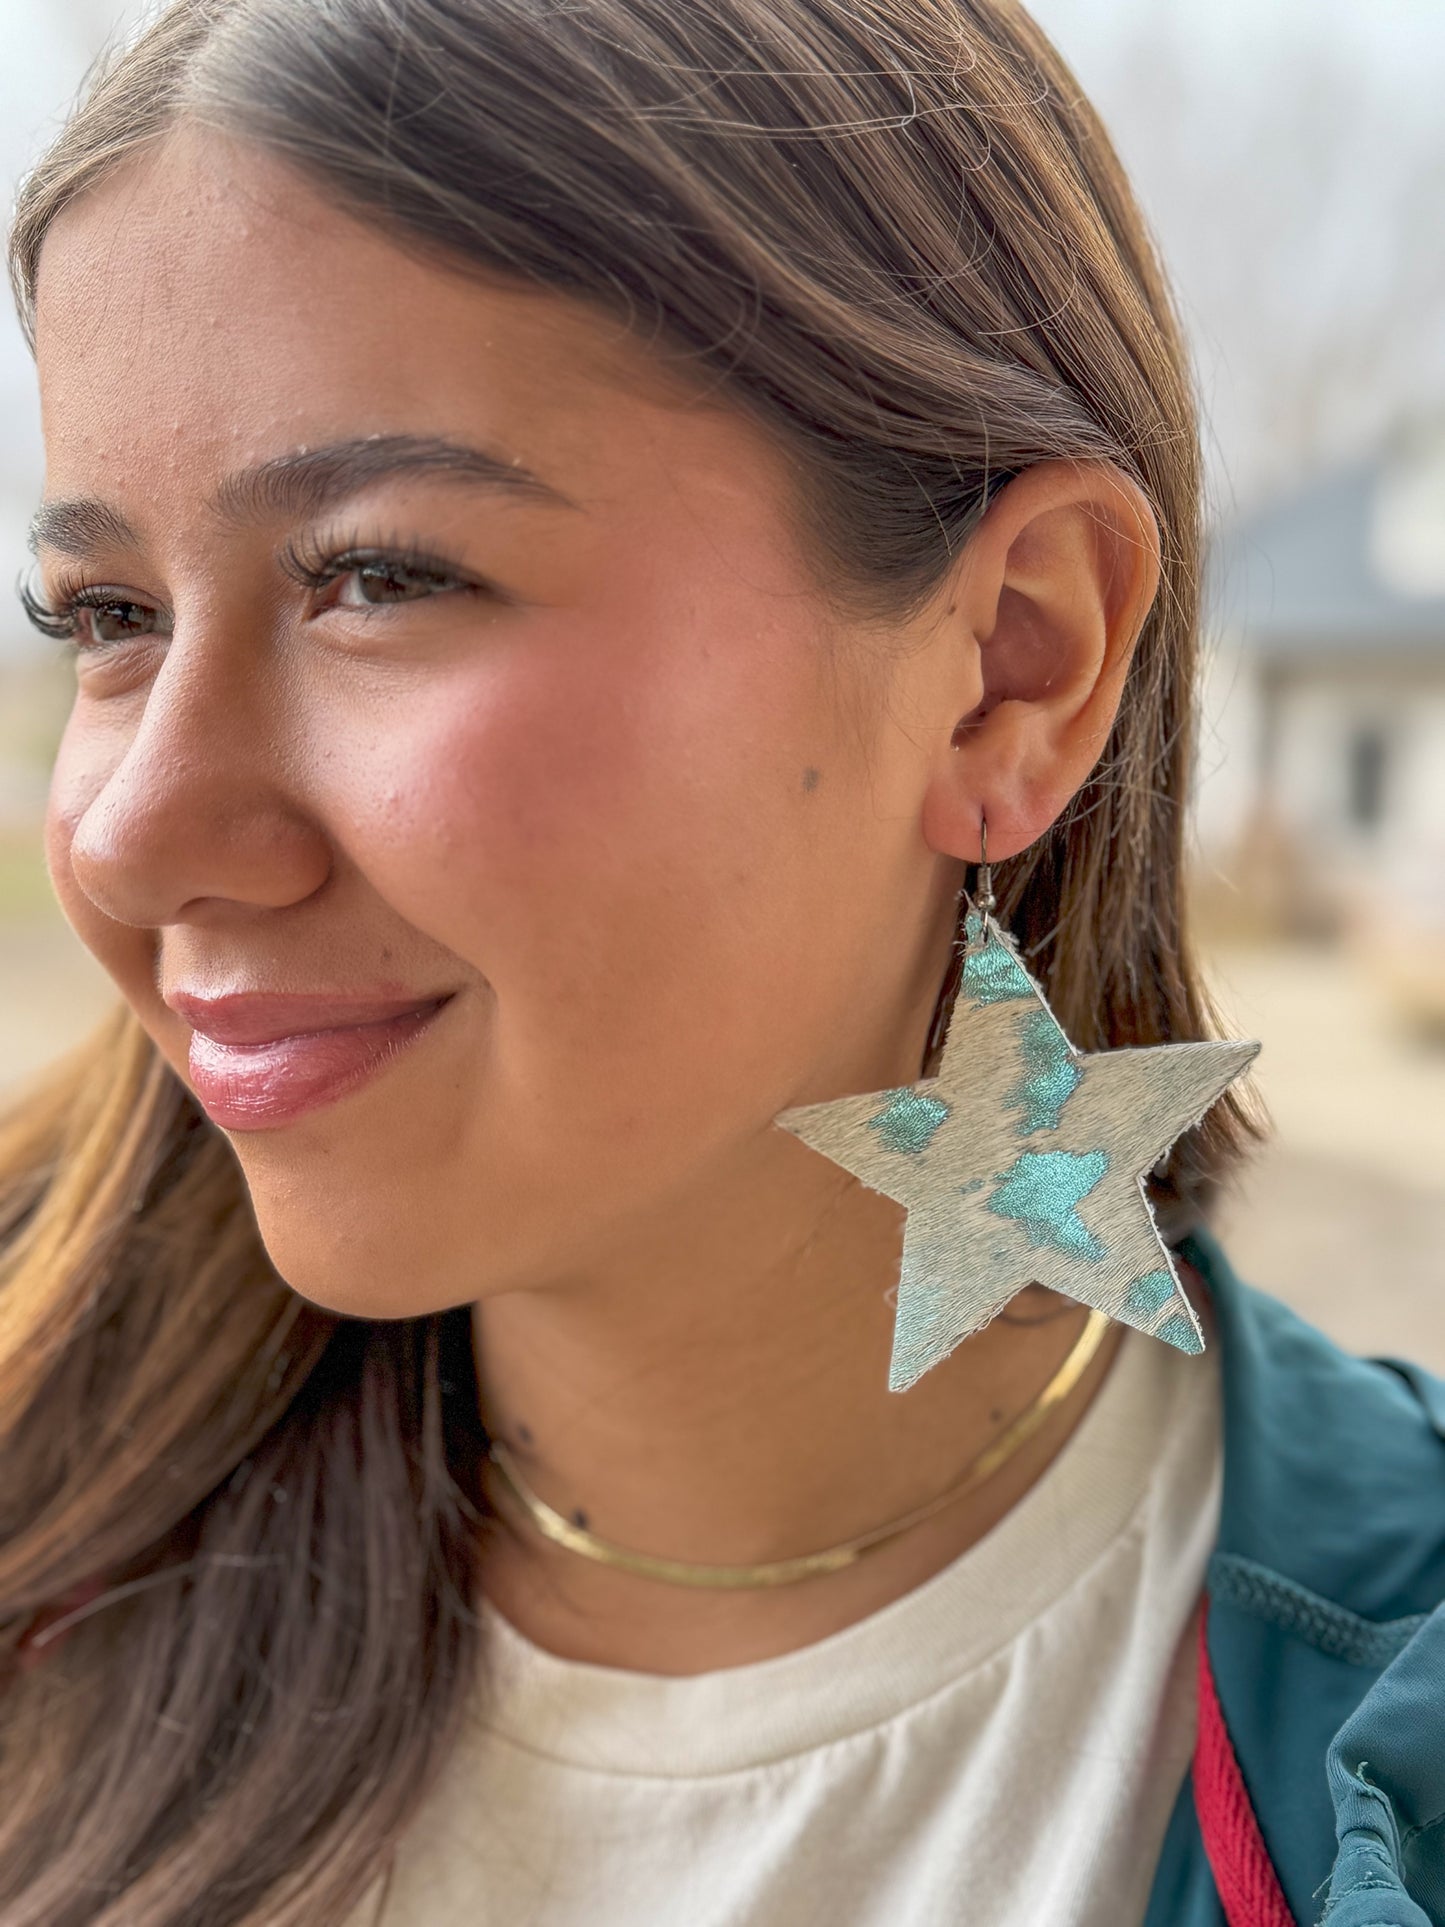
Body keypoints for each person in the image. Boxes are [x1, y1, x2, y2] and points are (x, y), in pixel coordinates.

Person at [2, 2, 1442, 1923]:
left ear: (1013, 662)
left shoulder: (1377, 1741)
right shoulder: (53, 1544)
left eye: (379, 575)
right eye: (104, 614)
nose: (124, 831)